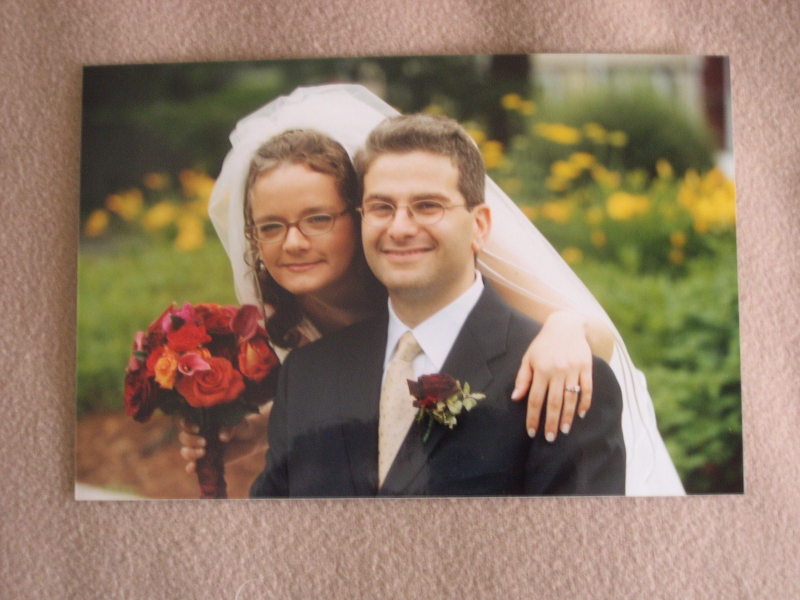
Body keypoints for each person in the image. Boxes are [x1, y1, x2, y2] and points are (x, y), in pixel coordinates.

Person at [190, 84, 684, 495]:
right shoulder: (302, 353)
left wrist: (565, 328)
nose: (294, 243)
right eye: (271, 227)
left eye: (318, 219)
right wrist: (262, 426)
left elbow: (585, 334)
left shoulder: (435, 265)